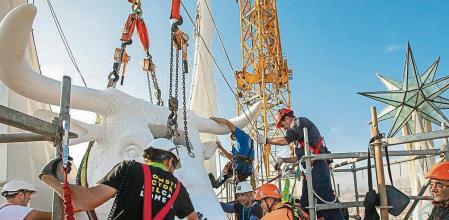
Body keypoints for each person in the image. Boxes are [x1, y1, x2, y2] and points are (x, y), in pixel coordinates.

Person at [40, 138, 198, 220]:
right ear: (170, 162)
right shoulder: (178, 188)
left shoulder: (130, 168)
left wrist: (50, 178)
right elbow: (193, 218)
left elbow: (86, 200)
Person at [256, 108, 345, 220]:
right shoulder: (301, 138)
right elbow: (298, 158)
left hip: (318, 169)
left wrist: (267, 140)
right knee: (306, 204)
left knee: (327, 203)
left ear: (287, 118)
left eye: (283, 125)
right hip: (310, 172)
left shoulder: (300, 122)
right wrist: (283, 160)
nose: (284, 128)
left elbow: (286, 140)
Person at [208, 117, 254, 188]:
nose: (233, 140)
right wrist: (221, 148)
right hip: (247, 169)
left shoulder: (241, 135)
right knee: (241, 187)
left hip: (239, 167)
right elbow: (232, 158)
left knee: (228, 165)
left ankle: (217, 183)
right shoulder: (248, 142)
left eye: (233, 138)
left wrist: (214, 119)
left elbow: (227, 123)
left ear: (235, 135)